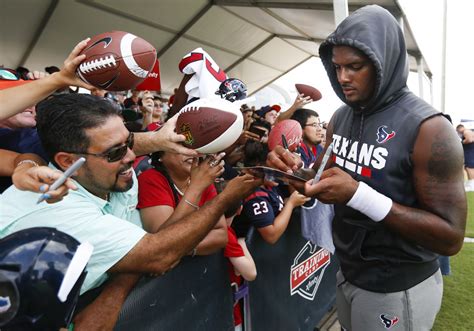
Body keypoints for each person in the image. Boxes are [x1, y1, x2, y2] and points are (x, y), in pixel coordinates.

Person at [266, 5, 466, 330]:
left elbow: (450, 238)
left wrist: (359, 194)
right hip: (348, 271)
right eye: (337, 67)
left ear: (382, 63)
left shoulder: (429, 128)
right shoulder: (341, 117)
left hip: (398, 283)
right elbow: (320, 179)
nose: (342, 78)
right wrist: (292, 171)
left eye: (355, 67)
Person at [0, 93, 261, 330]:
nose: (129, 157)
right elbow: (159, 253)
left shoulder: (115, 177)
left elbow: (153, 244)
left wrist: (115, 292)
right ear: (67, 162)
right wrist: (224, 199)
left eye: (129, 143)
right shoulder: (60, 210)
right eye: (115, 152)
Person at [138, 151, 228, 255]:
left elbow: (221, 235)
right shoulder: (151, 179)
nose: (192, 152)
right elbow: (162, 241)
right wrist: (196, 187)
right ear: (160, 156)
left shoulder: (203, 179)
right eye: (181, 146)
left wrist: (182, 248)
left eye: (194, 146)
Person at [233, 140, 309, 244]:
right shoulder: (254, 196)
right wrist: (291, 204)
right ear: (256, 169)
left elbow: (290, 196)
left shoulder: (270, 184)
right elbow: (271, 236)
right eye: (273, 171)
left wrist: (293, 172)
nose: (280, 174)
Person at [0, 38, 93, 120]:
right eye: (16, 96)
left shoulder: (38, 135)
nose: (30, 104)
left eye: (35, 98)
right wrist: (57, 79)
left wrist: (56, 81)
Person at [456, 124, 474, 191]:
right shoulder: (469, 131)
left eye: (458, 131)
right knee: (469, 168)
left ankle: (472, 186)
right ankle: (471, 184)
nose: (458, 132)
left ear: (460, 128)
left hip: (469, 153)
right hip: (469, 152)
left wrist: (462, 142)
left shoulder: (466, 131)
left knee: (470, 168)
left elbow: (470, 139)